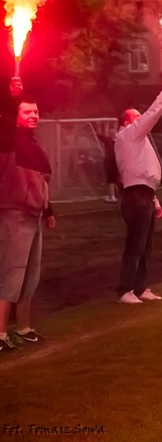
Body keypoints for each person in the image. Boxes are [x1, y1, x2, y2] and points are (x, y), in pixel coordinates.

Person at [114, 72, 162, 304]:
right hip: (135, 197)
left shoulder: (139, 140)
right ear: (127, 122)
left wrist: (155, 200)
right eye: (137, 116)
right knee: (135, 245)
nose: (141, 118)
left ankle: (141, 287)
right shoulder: (127, 136)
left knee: (146, 246)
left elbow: (145, 173)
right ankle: (125, 290)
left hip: (144, 195)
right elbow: (155, 110)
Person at [0, 76, 56, 352]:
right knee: (11, 274)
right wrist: (12, 97)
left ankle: (23, 327)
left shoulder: (34, 145)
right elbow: (4, 120)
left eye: (35, 111)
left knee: (30, 276)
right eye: (26, 112)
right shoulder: (9, 139)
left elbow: (42, 181)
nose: (33, 115)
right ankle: (0, 334)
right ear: (16, 116)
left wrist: (48, 210)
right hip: (14, 215)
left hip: (34, 217)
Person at [98, 122, 119, 202]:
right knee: (113, 179)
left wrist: (99, 125)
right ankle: (114, 194)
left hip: (111, 161)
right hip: (114, 161)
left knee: (111, 180)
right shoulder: (114, 140)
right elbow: (100, 135)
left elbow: (99, 135)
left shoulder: (111, 141)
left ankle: (112, 196)